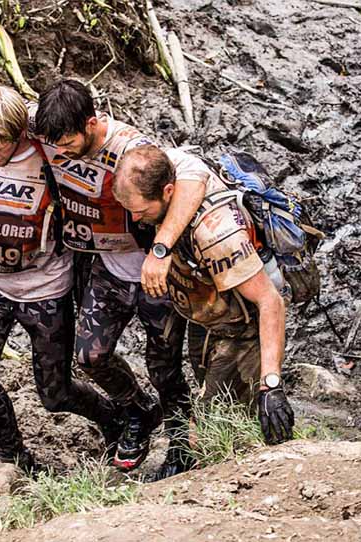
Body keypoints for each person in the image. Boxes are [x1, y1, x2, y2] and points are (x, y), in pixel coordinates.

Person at [0, 80, 206, 475]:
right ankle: (134, 412)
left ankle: (183, 444)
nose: (58, 152)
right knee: (90, 356)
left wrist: (163, 249)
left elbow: (193, 171)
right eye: (52, 145)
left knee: (163, 366)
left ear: (91, 124)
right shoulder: (40, 129)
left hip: (147, 269)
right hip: (101, 266)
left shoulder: (131, 149)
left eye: (65, 145)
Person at [0, 85, 122, 471]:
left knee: (55, 393)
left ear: (20, 134)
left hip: (46, 288)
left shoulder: (51, 148)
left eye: (0, 149)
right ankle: (13, 454)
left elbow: (94, 140)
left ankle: (113, 419)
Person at [113, 144, 295, 456]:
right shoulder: (171, 166)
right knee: (212, 399)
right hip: (208, 315)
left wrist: (271, 384)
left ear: (168, 191)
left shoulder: (218, 235)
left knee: (219, 421)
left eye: (141, 212)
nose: (135, 219)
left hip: (243, 329)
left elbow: (270, 301)